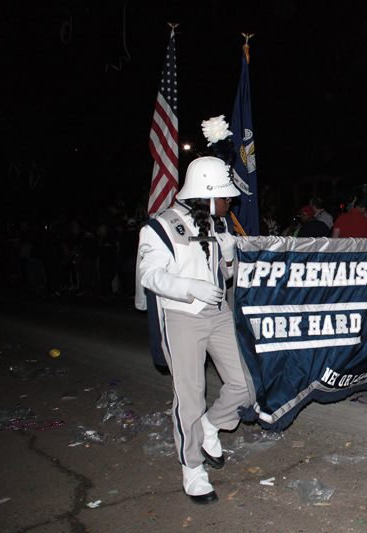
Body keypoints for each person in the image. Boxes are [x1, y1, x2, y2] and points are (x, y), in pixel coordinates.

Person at [137, 156, 256, 504]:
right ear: (206, 195)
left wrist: (231, 257)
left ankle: (209, 427)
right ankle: (192, 468)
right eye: (225, 196)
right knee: (190, 396)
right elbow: (149, 275)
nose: (230, 201)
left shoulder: (219, 225)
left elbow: (227, 276)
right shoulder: (159, 227)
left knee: (246, 383)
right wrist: (189, 286)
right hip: (182, 316)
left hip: (218, 313)